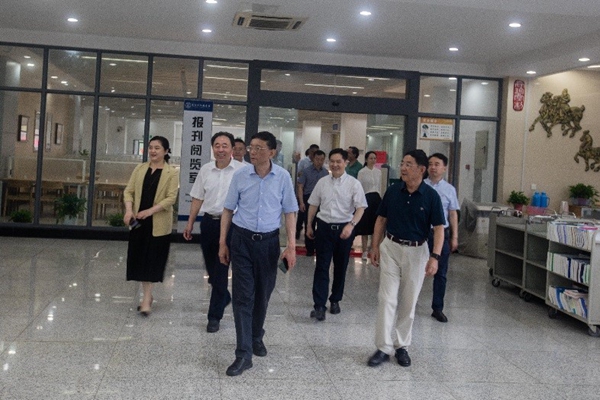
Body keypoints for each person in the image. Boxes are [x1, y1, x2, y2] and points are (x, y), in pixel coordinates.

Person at [218, 131, 298, 377]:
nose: (252, 152)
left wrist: (291, 246)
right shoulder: (240, 175)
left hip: (268, 243)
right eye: (251, 147)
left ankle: (255, 335)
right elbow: (228, 209)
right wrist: (223, 243)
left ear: (272, 152)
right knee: (243, 297)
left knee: (263, 294)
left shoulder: (282, 177)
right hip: (241, 240)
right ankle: (243, 354)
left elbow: (290, 212)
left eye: (258, 148)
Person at [367, 149, 444, 368]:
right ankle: (383, 348)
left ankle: (402, 346)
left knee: (409, 301)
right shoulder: (393, 191)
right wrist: (375, 246)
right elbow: (381, 219)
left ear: (421, 169)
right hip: (391, 247)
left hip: (417, 252)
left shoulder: (431, 196)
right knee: (386, 298)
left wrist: (435, 257)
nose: (403, 168)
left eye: (408, 164)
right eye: (402, 163)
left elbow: (439, 228)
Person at [183, 132, 243, 333]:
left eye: (225, 145)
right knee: (212, 269)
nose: (221, 149)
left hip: (233, 224)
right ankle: (224, 296)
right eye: (217, 145)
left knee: (221, 268)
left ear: (232, 148)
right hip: (209, 223)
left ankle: (214, 316)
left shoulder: (242, 171)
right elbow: (197, 198)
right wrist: (190, 223)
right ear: (212, 148)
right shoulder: (206, 170)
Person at [307, 148, 367, 321]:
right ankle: (319, 305)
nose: (334, 164)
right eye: (332, 161)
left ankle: (335, 300)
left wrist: (351, 225)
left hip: (344, 229)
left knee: (341, 266)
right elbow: (313, 204)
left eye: (338, 161)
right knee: (321, 266)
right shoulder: (322, 182)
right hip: (324, 227)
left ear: (345, 162)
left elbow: (361, 208)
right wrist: (309, 224)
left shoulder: (354, 184)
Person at [123, 136, 179, 316]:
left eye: (157, 148)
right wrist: (129, 210)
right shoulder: (140, 169)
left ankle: (146, 298)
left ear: (166, 151)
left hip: (158, 222)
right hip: (138, 222)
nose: (153, 151)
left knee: (153, 259)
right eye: (150, 147)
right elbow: (128, 191)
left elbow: (171, 198)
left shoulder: (171, 172)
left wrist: (149, 211)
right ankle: (147, 295)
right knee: (140, 258)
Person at [424, 152, 459, 323]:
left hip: (441, 234)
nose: (433, 167)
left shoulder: (449, 189)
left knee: (441, 272)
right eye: (430, 164)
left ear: (444, 168)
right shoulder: (420, 185)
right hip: (422, 234)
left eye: (437, 164)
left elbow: (452, 214)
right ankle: (408, 304)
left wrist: (454, 237)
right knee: (415, 270)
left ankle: (437, 308)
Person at [297, 149, 329, 256]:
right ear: (313, 159)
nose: (319, 161)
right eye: (317, 159)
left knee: (322, 224)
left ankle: (319, 247)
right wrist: (301, 202)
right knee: (309, 223)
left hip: (322, 201)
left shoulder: (326, 173)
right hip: (308, 199)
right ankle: (310, 249)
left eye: (321, 159)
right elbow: (300, 187)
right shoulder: (306, 171)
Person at [356, 151, 382, 261]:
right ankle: (364, 250)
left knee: (375, 225)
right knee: (365, 226)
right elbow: (359, 187)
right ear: (366, 160)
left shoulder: (379, 172)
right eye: (371, 158)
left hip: (377, 199)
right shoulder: (362, 172)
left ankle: (373, 249)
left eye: (375, 158)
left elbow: (380, 187)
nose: (373, 160)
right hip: (366, 199)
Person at [296, 144, 320, 238]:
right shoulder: (303, 162)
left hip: (316, 195)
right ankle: (298, 229)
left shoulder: (321, 168)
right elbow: (299, 174)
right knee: (302, 214)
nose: (314, 154)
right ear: (309, 151)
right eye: (313, 152)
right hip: (305, 192)